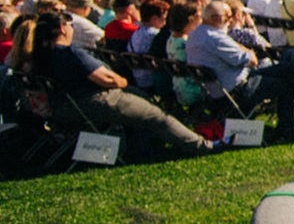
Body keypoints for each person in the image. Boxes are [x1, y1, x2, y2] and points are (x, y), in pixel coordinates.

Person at [23, 10, 225, 155]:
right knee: (158, 116)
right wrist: (121, 80)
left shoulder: (38, 56)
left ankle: (146, 148)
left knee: (143, 104)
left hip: (61, 109)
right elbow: (107, 79)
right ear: (62, 28)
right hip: (94, 102)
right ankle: (204, 146)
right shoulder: (70, 53)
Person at [184, 0, 294, 142]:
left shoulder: (196, 34)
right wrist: (247, 49)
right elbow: (252, 60)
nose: (230, 20)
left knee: (285, 69)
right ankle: (287, 129)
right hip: (237, 90)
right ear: (215, 19)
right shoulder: (216, 38)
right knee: (285, 85)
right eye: (227, 17)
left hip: (219, 91)